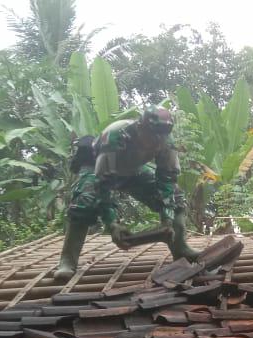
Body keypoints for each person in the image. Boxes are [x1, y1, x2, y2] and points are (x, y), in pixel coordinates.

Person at [54, 105, 200, 281]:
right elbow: (103, 184)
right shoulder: (116, 136)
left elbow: (167, 180)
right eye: (152, 135)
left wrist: (166, 217)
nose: (157, 140)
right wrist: (112, 224)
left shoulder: (166, 142)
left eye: (161, 136)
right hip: (98, 167)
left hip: (132, 170)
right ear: (140, 127)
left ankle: (180, 248)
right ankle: (68, 261)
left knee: (176, 196)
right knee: (85, 201)